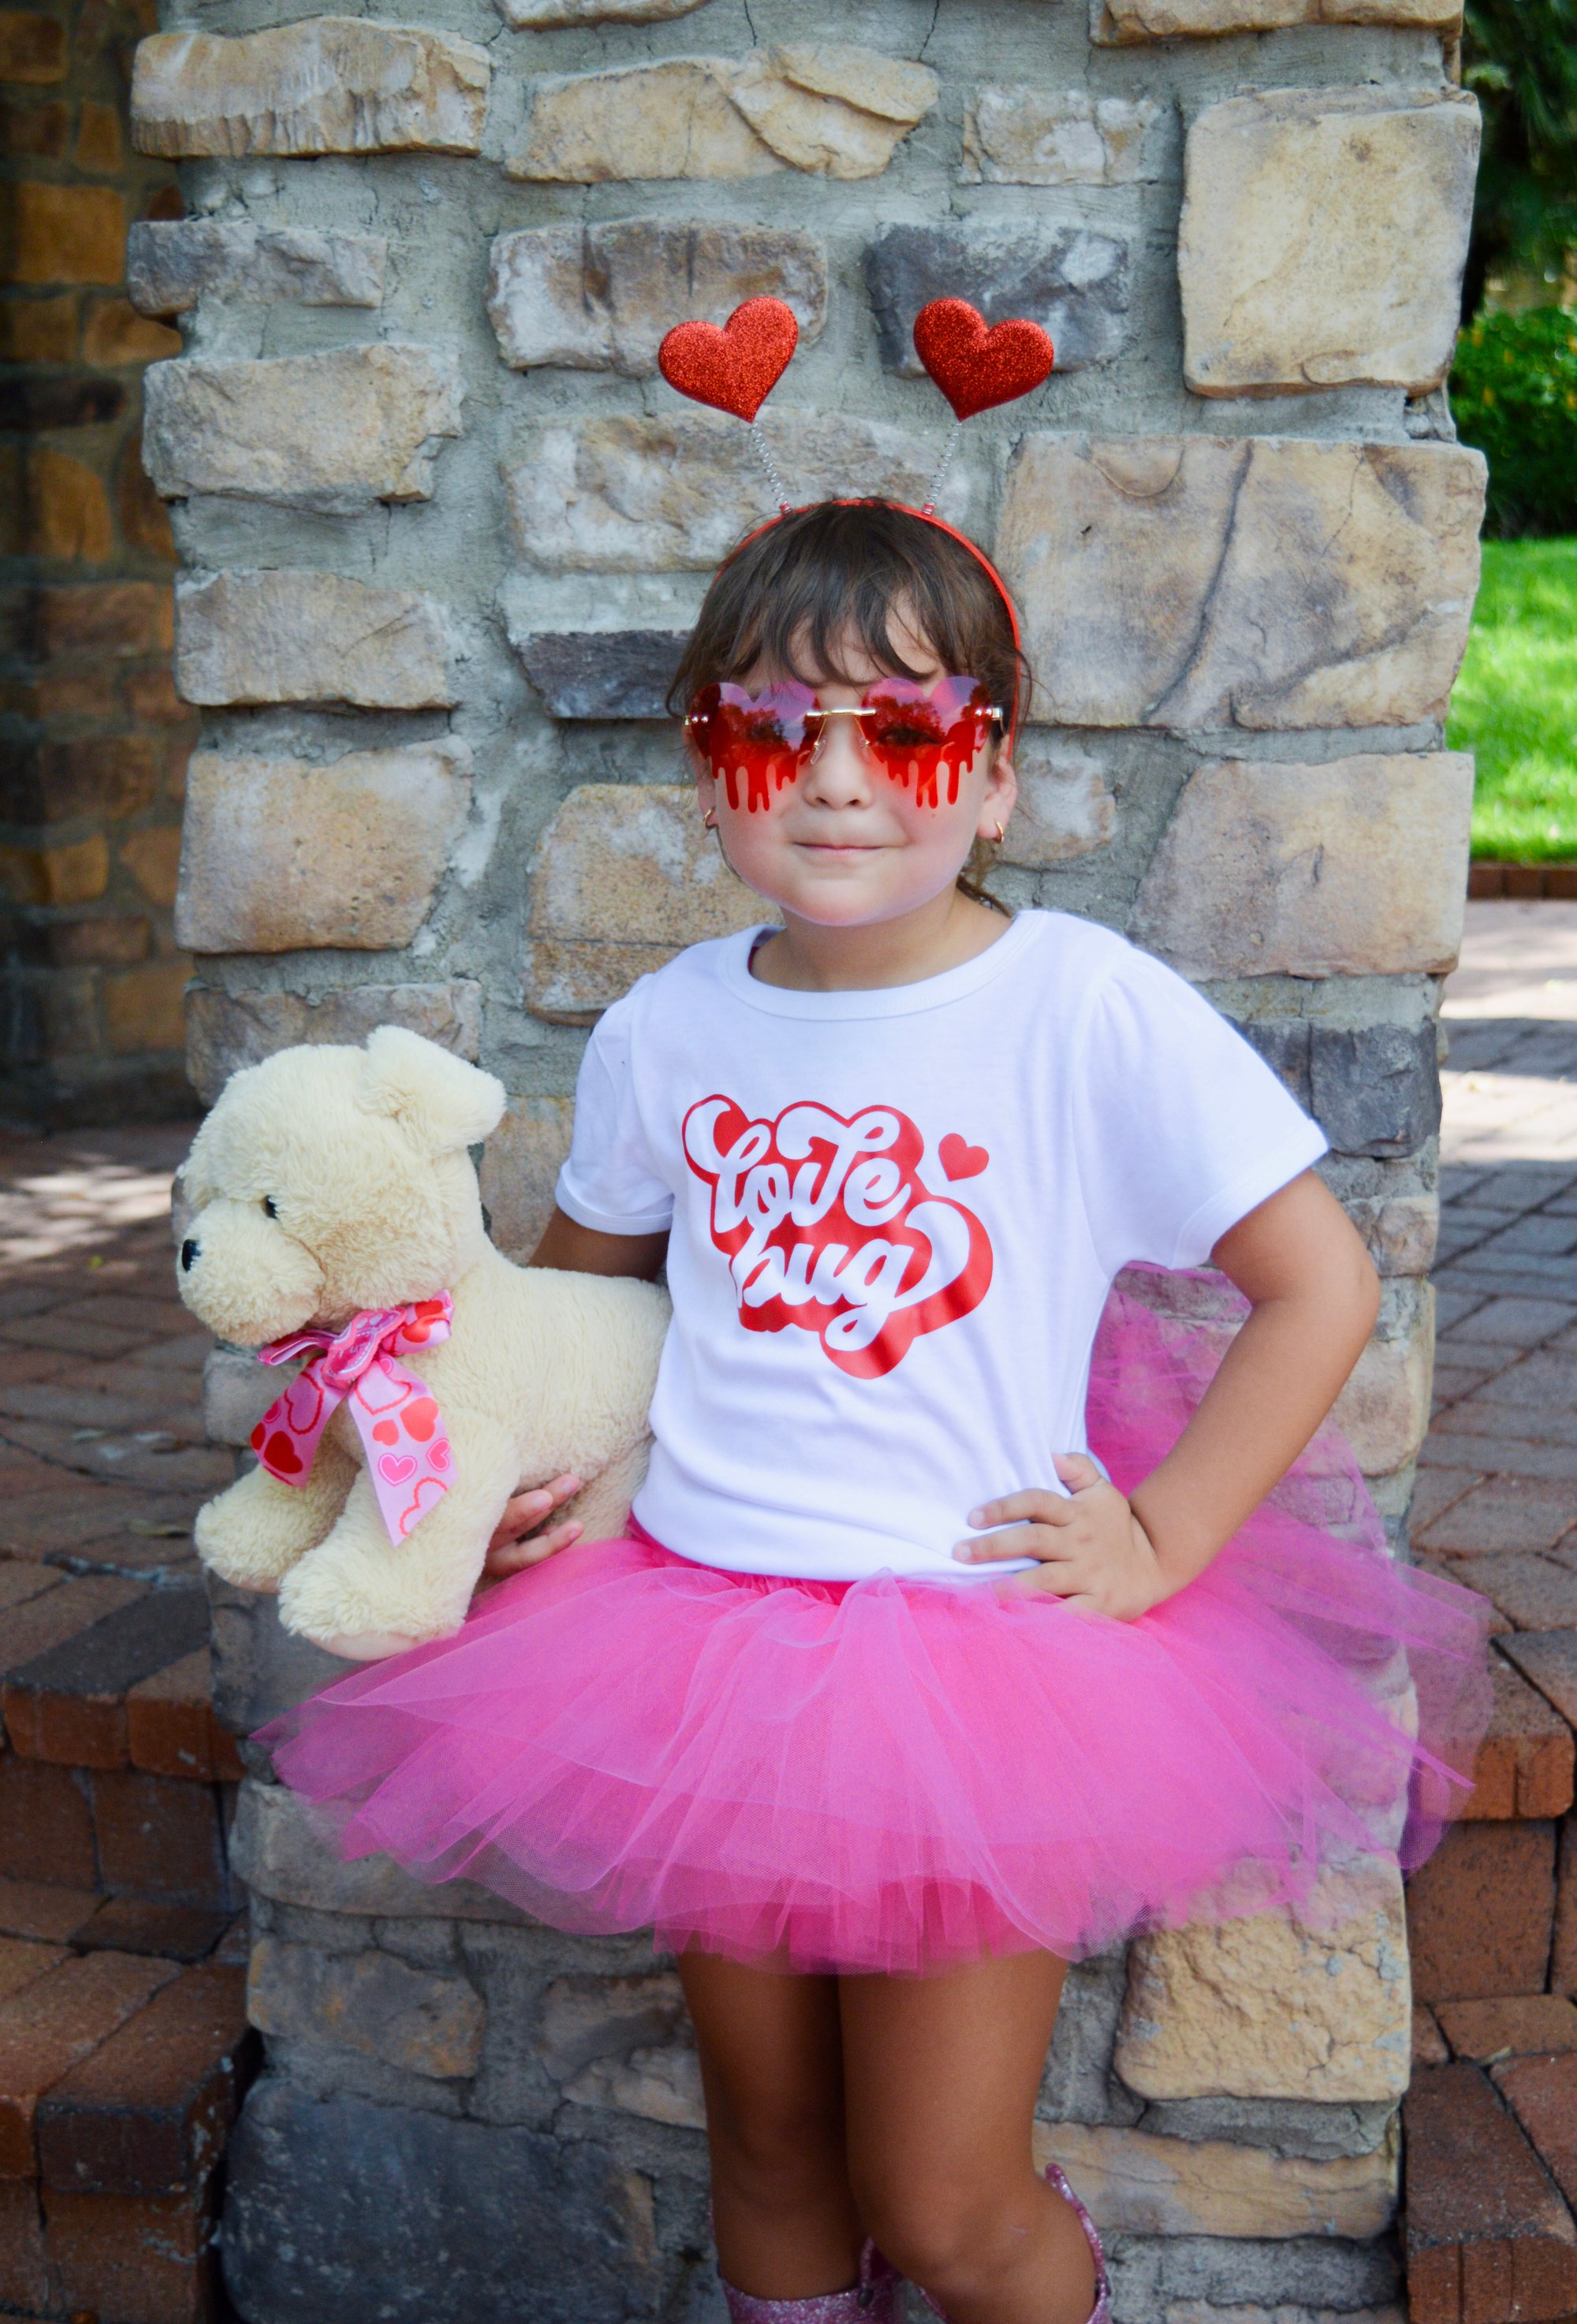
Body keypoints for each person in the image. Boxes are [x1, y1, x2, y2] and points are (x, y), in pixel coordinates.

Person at [263, 497, 1489, 2324]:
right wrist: (529, 1470)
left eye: (904, 730)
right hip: (694, 1641)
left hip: (969, 1656)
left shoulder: (1080, 1009)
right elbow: (586, 1318)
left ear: (991, 779)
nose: (836, 779)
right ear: (710, 775)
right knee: (768, 2150)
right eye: (773, 728)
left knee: (938, 2196)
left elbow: (1318, 1283)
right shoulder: (669, 1029)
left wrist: (1161, 1537)